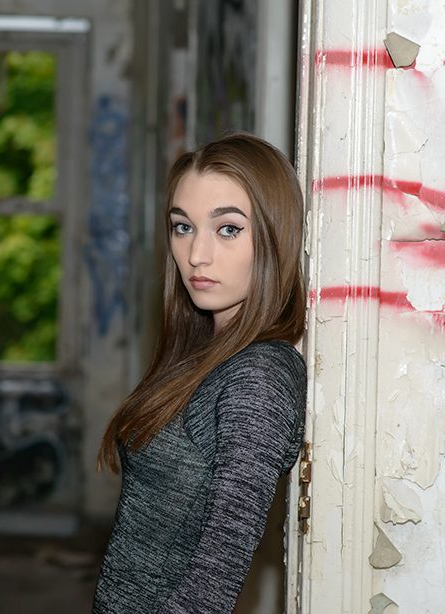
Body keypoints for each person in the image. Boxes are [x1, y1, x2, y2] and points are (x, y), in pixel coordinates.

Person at [92, 133, 307, 614]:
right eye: (182, 227)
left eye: (228, 229)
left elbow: (216, 578)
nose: (196, 255)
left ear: (275, 237)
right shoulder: (209, 358)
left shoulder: (258, 377)